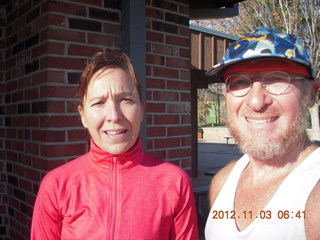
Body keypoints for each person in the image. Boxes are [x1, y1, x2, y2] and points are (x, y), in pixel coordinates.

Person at [31, 51, 198, 240]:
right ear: (83, 115)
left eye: (125, 100)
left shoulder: (175, 183)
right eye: (98, 102)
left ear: (142, 109)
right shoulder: (56, 186)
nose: (114, 115)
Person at [204, 27, 320, 240]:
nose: (256, 102)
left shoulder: (315, 199)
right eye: (238, 82)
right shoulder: (222, 183)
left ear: (311, 94)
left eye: (277, 79)